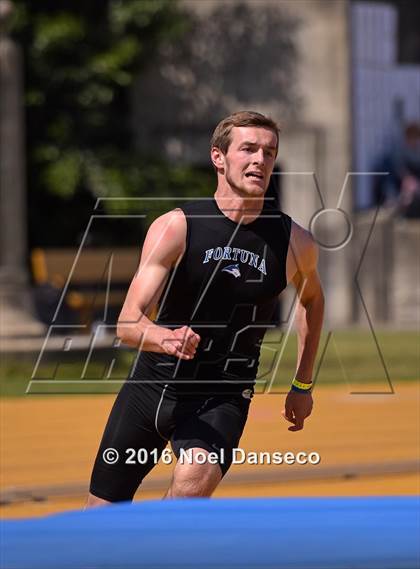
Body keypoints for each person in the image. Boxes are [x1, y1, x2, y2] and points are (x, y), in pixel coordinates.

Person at [86, 111, 324, 506]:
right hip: (150, 387)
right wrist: (164, 337)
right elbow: (128, 324)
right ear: (218, 157)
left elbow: (312, 300)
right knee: (100, 515)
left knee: (192, 486)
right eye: (248, 149)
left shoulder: (294, 241)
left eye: (269, 152)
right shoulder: (176, 227)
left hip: (222, 393)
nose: (260, 160)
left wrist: (302, 383)